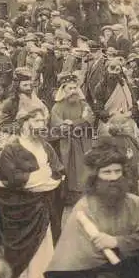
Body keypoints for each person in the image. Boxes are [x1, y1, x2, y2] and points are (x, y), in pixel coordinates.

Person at [44, 139, 139, 278]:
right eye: (107, 172)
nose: (113, 177)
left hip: (133, 277)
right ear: (95, 176)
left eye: (117, 171)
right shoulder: (84, 208)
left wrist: (116, 242)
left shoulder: (135, 203)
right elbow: (71, 263)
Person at [0, 102, 64, 278]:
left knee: (46, 250)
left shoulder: (45, 146)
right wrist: (38, 178)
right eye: (36, 121)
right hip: (24, 212)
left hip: (46, 208)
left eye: (43, 121)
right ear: (24, 123)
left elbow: (57, 171)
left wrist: (47, 179)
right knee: (26, 255)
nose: (41, 125)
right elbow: (11, 178)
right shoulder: (11, 150)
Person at [50, 72, 95, 205]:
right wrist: (80, 122)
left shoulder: (83, 104)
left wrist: (74, 123)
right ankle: (69, 196)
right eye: (70, 88)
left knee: (84, 168)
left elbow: (90, 119)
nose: (73, 91)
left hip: (83, 143)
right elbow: (60, 127)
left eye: (75, 88)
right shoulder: (57, 107)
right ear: (63, 89)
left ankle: (83, 194)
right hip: (67, 144)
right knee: (69, 168)